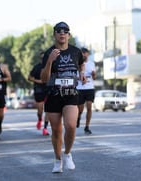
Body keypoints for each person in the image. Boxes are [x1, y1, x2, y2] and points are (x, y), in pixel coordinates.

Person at [41, 22, 86, 173]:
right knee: (56, 130)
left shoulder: (75, 51)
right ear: (54, 34)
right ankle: (57, 159)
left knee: (71, 125)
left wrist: (82, 74)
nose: (62, 33)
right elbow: (44, 79)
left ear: (69, 35)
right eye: (59, 31)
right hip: (54, 95)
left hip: (71, 94)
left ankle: (67, 153)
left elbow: (81, 64)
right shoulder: (49, 53)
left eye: (65, 31)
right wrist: (50, 61)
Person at [28, 51, 50, 136]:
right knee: (40, 110)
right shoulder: (36, 67)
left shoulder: (50, 66)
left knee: (48, 109)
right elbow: (29, 78)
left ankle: (45, 128)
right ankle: (40, 119)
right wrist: (39, 81)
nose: (43, 59)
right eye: (42, 57)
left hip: (48, 89)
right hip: (39, 90)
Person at [76, 48, 96, 134]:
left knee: (89, 106)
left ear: (88, 54)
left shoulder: (91, 64)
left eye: (85, 53)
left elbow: (94, 78)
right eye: (82, 53)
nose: (83, 55)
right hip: (80, 88)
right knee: (80, 108)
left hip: (90, 88)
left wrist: (94, 75)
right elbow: (74, 76)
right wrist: (81, 78)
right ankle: (78, 116)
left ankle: (87, 126)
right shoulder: (77, 63)